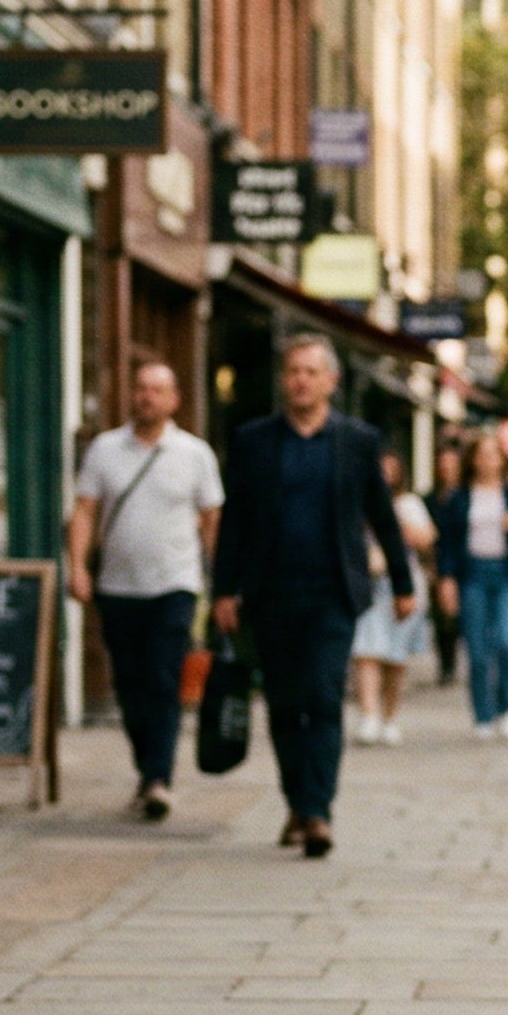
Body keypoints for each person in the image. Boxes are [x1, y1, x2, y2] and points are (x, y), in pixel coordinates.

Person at [211, 336, 416, 860]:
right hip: (269, 594)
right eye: (293, 371)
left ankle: (318, 810)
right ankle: (297, 804)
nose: (301, 380)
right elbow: (234, 521)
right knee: (284, 705)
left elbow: (382, 515)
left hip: (332, 595)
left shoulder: (357, 441)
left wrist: (403, 584)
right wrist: (223, 590)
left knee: (323, 699)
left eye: (310, 371)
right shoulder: (254, 441)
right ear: (284, 380)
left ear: (331, 381)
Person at [66, 358, 225, 822]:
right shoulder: (105, 450)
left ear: (174, 399)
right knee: (129, 684)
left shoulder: (194, 454)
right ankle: (147, 767)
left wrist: (222, 584)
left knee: (162, 679)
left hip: (175, 585)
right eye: (140, 388)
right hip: (117, 587)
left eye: (157, 390)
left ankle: (159, 778)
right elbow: (84, 512)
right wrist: (78, 568)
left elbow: (212, 521)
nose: (147, 397)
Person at [434, 432, 508, 741]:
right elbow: (446, 543)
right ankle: (483, 713)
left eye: (493, 454)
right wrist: (446, 579)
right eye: (481, 455)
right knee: (478, 650)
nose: (487, 461)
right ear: (472, 460)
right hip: (473, 575)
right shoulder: (459, 496)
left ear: (502, 459)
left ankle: (507, 709)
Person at [350, 451, 437, 745]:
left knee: (395, 655)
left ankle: (388, 717)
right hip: (367, 582)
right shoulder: (356, 501)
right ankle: (368, 716)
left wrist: (391, 521)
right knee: (366, 649)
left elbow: (426, 539)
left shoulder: (408, 503)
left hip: (402, 583)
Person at [428, 441, 467, 687]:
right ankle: (446, 663)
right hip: (439, 563)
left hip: (465, 564)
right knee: (442, 617)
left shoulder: (465, 497)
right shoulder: (430, 499)